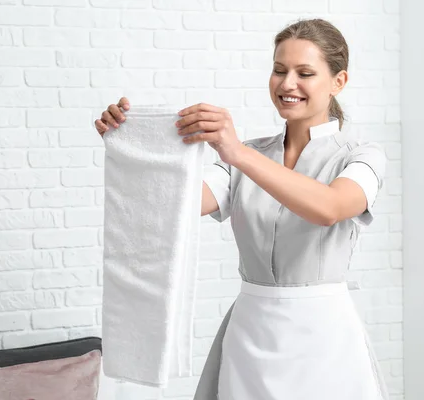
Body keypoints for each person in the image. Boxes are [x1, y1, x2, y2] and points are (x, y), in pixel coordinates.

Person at [95, 18, 389, 400]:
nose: (287, 84)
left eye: (305, 73)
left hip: (325, 339)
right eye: (279, 70)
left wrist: (237, 153)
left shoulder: (363, 156)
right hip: (249, 332)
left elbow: (330, 207)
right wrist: (128, 144)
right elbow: (171, 207)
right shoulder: (245, 156)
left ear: (338, 81)